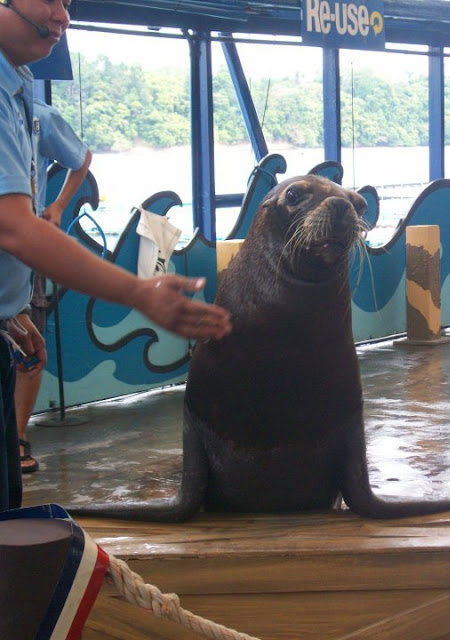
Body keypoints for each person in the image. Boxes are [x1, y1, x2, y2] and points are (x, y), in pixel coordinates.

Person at [0, 0, 232, 512]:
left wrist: (8, 311)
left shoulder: (21, 93)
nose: (63, 16)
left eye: (67, 3)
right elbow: (13, 226)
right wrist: (137, 292)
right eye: (49, 0)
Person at [15, 98, 92, 473]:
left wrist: (58, 206)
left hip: (26, 249)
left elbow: (81, 158)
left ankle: (17, 437)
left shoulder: (37, 113)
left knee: (28, 343)